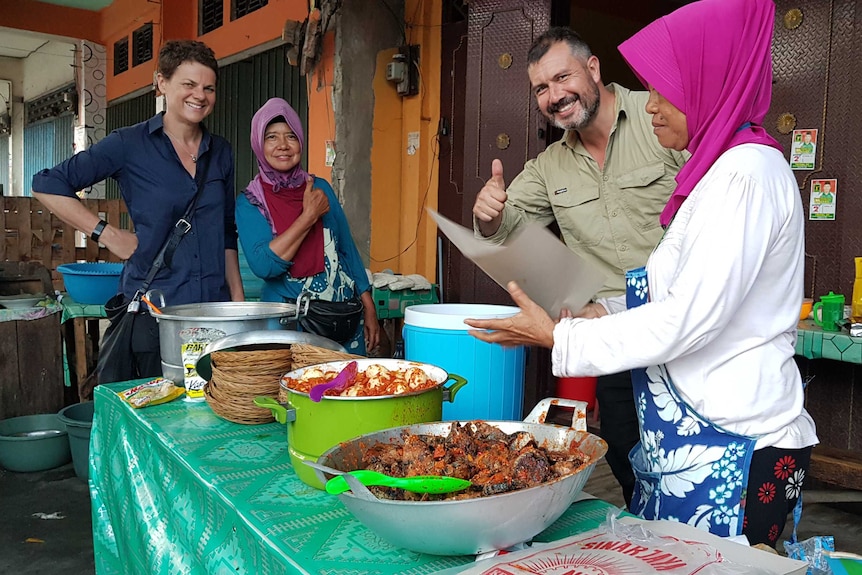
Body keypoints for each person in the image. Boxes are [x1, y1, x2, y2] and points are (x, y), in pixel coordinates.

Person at [465, 0, 818, 547]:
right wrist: (599, 310)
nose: (651, 105)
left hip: (735, 435)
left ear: (710, 83)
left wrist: (560, 335)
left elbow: (686, 318)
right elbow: (670, 290)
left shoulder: (745, 175)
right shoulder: (718, 171)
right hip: (685, 416)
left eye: (665, 88)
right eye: (542, 86)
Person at [471, 26, 687, 508]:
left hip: (683, 330)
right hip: (609, 336)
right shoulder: (550, 166)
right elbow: (503, 229)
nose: (554, 96)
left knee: (690, 459)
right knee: (631, 459)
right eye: (541, 89)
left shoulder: (661, 121)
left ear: (593, 69)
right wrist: (488, 214)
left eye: (562, 77)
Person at [32, 40, 244, 382]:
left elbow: (226, 229)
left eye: (209, 88)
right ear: (161, 82)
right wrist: (107, 234)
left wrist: (236, 300)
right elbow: (47, 184)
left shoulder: (220, 151)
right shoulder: (128, 144)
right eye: (188, 84)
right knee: (160, 416)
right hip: (155, 311)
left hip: (213, 314)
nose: (200, 95)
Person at [236, 98, 379, 354]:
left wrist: (368, 306)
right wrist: (308, 216)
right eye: (271, 137)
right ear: (258, 143)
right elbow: (264, 265)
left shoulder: (320, 187)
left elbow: (346, 249)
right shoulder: (251, 202)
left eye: (291, 136)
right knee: (295, 391)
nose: (283, 145)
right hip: (289, 321)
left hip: (342, 316)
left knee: (349, 388)